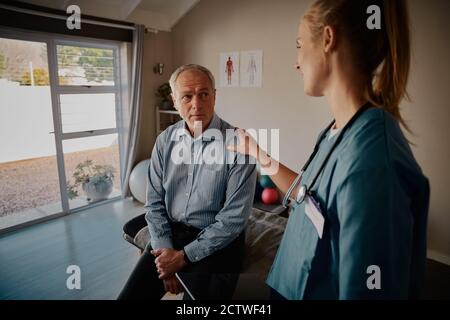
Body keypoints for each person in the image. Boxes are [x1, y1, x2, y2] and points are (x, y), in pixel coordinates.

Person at [227, 0, 429, 299]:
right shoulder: (338, 131)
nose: (297, 62)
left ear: (328, 39)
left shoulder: (373, 160)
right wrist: (256, 153)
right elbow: (306, 197)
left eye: (299, 45)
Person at [118, 64, 257, 299]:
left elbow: (233, 221)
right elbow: (154, 204)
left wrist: (182, 258)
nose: (196, 104)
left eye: (204, 94)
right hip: (172, 233)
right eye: (187, 96)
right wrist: (166, 254)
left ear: (215, 95)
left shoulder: (239, 144)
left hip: (219, 240)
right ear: (174, 101)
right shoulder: (165, 141)